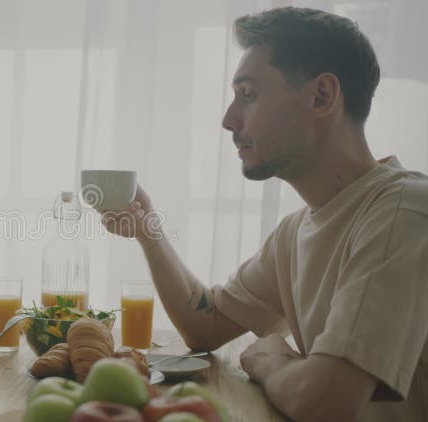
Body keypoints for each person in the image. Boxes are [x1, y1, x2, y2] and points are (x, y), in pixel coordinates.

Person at [102, 7, 427, 421]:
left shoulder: (404, 213)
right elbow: (208, 324)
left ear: (322, 96)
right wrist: (149, 232)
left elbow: (324, 402)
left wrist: (271, 361)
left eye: (248, 95)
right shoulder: (295, 232)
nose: (228, 120)